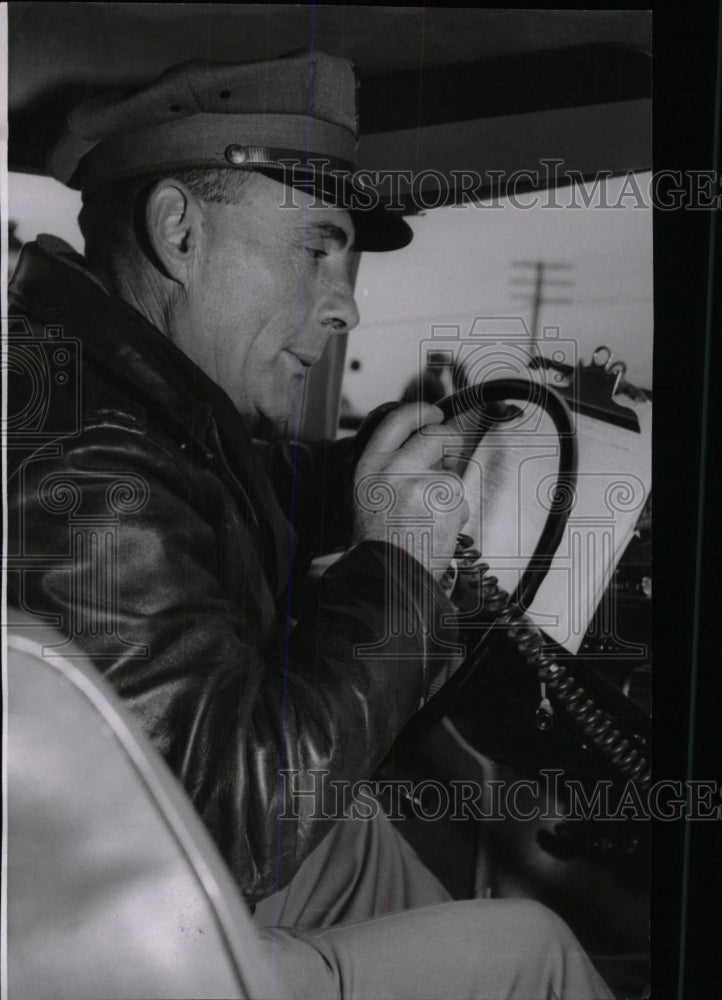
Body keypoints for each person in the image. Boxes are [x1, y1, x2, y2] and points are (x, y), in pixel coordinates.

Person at [7, 52, 612, 998]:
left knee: (365, 835)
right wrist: (400, 568)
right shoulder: (84, 460)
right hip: (116, 936)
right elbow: (222, 829)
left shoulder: (115, 385)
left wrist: (362, 474)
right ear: (179, 231)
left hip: (111, 861)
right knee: (532, 947)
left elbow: (213, 505)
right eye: (317, 248)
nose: (346, 302)